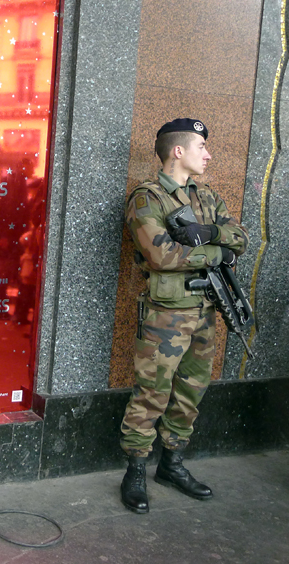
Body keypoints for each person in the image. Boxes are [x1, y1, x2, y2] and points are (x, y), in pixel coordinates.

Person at [119, 118, 249, 514]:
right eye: (201, 147)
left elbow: (240, 238)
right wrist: (216, 252)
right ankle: (136, 469)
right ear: (178, 151)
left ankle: (171, 464)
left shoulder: (207, 197)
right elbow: (160, 255)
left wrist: (208, 233)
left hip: (205, 311)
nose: (208, 155)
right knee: (151, 393)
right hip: (165, 314)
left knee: (191, 392)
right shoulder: (147, 198)